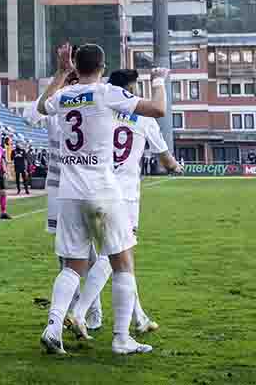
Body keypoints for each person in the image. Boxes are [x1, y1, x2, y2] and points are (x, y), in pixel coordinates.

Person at [37, 43, 169, 355]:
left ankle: (53, 328)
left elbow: (43, 106)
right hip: (103, 189)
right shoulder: (107, 92)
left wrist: (61, 72)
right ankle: (122, 338)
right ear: (102, 67)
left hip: (70, 192)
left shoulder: (64, 95)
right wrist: (159, 80)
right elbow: (158, 109)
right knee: (122, 263)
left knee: (72, 266)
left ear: (76, 66)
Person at [66, 69, 183, 335]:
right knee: (113, 257)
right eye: (135, 87)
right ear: (130, 89)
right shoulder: (143, 117)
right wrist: (176, 167)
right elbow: (166, 160)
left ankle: (139, 317)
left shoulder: (101, 111)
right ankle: (79, 312)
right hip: (123, 197)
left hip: (90, 189)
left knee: (121, 259)